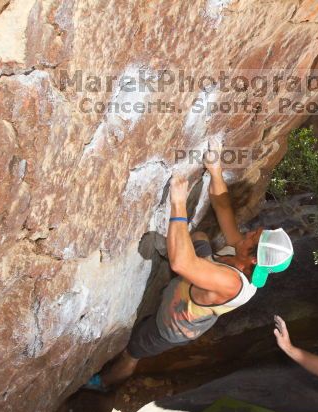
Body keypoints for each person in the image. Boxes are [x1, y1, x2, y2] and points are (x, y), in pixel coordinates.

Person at [84, 140, 294, 391]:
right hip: (190, 287)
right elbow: (223, 208)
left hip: (172, 324)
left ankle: (103, 384)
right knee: (201, 238)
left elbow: (181, 262)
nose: (247, 234)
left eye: (253, 238)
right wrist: (215, 169)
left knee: (133, 352)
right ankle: (177, 260)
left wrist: (179, 204)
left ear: (253, 259)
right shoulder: (243, 254)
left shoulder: (232, 282)